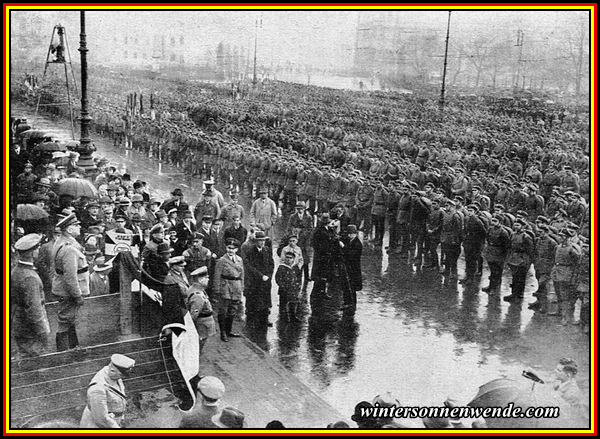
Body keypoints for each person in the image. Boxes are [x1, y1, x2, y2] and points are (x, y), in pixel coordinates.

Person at [52, 213, 89, 351]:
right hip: (68, 291)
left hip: (62, 288)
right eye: (76, 225)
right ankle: (63, 353)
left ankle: (74, 347)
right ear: (68, 229)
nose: (79, 227)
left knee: (70, 318)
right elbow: (70, 277)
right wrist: (77, 295)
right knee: (65, 320)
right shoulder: (69, 249)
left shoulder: (61, 241)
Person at [11, 233, 50, 358]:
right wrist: (43, 332)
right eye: (37, 248)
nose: (39, 250)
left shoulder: (16, 270)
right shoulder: (30, 277)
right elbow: (34, 309)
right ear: (32, 253)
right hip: (30, 331)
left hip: (19, 324)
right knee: (34, 364)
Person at [80, 354, 135, 428]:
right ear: (112, 371)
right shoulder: (97, 388)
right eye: (122, 375)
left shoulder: (115, 375)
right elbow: (101, 419)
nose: (122, 377)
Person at [213, 238, 245, 342]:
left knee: (233, 310)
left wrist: (242, 287)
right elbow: (217, 275)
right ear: (226, 248)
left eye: (233, 248)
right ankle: (223, 333)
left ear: (237, 249)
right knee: (223, 310)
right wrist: (217, 289)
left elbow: (242, 275)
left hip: (236, 286)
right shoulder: (222, 260)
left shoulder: (239, 260)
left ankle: (228, 330)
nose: (230, 250)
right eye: (229, 248)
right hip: (226, 286)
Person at [243, 230, 275, 328]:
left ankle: (264, 320)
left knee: (265, 301)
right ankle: (251, 321)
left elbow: (271, 264)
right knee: (253, 301)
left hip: (266, 281)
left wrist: (269, 276)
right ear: (256, 241)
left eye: (263, 241)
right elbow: (250, 267)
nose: (262, 242)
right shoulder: (250, 251)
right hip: (254, 281)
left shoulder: (267, 250)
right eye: (260, 241)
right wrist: (261, 276)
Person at [550, 228, 582, 324]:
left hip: (566, 273)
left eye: (563, 236)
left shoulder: (572, 249)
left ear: (568, 238)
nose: (560, 238)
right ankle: (559, 311)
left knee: (565, 296)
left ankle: (565, 317)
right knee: (558, 293)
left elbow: (576, 263)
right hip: (556, 272)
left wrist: (572, 276)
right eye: (560, 236)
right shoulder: (557, 247)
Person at [186, 266, 215, 355]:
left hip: (203, 323)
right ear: (200, 279)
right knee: (199, 344)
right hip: (202, 324)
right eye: (206, 278)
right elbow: (194, 314)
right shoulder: (198, 295)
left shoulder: (195, 289)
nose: (208, 280)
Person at [503, 218, 535, 302]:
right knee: (514, 277)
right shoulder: (512, 234)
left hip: (522, 259)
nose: (515, 227)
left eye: (518, 225)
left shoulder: (526, 237)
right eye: (515, 225)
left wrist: (527, 262)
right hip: (514, 258)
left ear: (522, 226)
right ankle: (513, 294)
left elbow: (530, 250)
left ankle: (519, 295)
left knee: (520, 278)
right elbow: (510, 246)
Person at [482, 214, 511, 294]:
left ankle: (494, 288)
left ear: (500, 222)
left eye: (495, 221)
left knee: (496, 272)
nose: (493, 222)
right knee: (492, 271)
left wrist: (503, 256)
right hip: (491, 251)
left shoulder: (503, 232)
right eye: (493, 220)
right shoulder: (490, 229)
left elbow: (506, 246)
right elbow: (487, 238)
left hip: (498, 253)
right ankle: (491, 286)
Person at [275, 251, 302, 322]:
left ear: (293, 259)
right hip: (284, 290)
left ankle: (293, 316)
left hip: (293, 289)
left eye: (290, 258)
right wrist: (282, 286)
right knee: (283, 304)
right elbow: (277, 278)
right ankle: (284, 318)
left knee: (293, 303)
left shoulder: (296, 267)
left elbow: (299, 278)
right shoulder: (281, 267)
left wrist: (298, 287)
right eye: (287, 257)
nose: (288, 259)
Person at [341, 224, 363, 311]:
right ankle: (347, 303)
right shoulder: (351, 241)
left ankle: (352, 305)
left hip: (354, 269)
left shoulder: (357, 244)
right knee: (347, 286)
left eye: (351, 234)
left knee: (352, 287)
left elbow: (351, 255)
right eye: (348, 233)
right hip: (349, 267)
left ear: (355, 234)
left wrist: (343, 247)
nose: (349, 235)